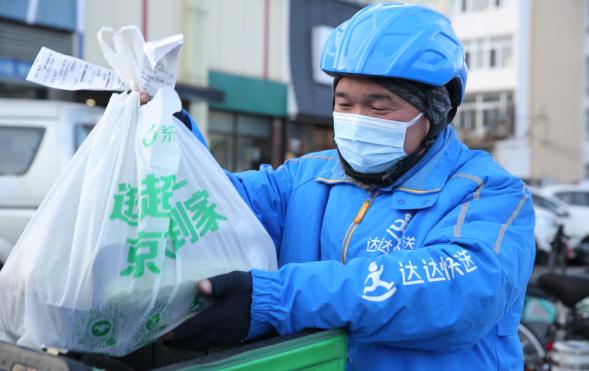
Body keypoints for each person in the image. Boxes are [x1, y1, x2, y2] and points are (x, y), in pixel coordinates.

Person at [162, 3, 535, 370]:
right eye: (345, 103)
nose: (358, 120)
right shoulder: (306, 178)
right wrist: (168, 133)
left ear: (436, 110)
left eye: (379, 108)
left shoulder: (488, 192)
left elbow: (459, 293)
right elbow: (216, 202)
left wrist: (276, 299)